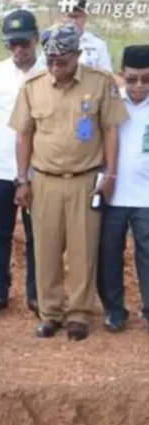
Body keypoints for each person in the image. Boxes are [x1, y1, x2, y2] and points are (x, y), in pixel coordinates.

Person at [9, 23, 127, 341]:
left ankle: (79, 314)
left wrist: (110, 174)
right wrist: (22, 180)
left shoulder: (100, 83)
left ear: (77, 55)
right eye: (50, 61)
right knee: (45, 249)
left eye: (62, 61)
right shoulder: (33, 85)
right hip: (44, 180)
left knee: (83, 250)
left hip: (85, 180)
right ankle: (50, 313)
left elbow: (112, 130)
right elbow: (24, 135)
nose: (55, 68)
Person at [0, 9, 44, 319]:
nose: (18, 50)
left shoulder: (49, 70)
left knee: (37, 234)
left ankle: (36, 294)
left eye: (24, 43)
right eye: (11, 44)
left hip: (40, 170)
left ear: (36, 39)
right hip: (0, 168)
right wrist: (4, 148)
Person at [97, 45, 149, 333]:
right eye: (132, 79)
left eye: (146, 79)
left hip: (146, 198)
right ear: (121, 76)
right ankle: (114, 310)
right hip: (113, 194)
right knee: (109, 254)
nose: (139, 86)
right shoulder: (111, 102)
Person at [62, 0, 113, 72]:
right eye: (70, 16)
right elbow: (42, 71)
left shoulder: (98, 44)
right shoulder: (52, 42)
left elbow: (107, 74)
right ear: (63, 17)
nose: (73, 21)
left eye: (77, 17)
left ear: (85, 17)